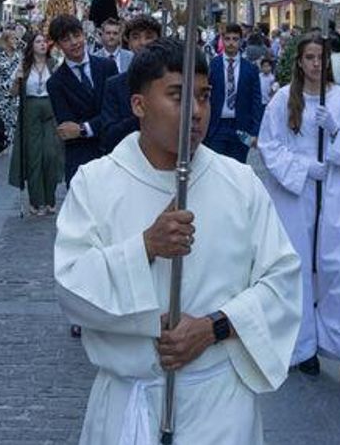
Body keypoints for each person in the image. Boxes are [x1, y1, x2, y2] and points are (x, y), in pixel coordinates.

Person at [54, 37, 302, 444]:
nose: (197, 111)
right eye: (178, 96)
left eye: (204, 96)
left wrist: (212, 327)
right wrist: (145, 248)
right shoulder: (95, 183)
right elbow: (71, 287)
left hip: (220, 407)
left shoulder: (239, 183)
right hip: (129, 402)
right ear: (139, 105)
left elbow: (282, 281)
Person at [257, 33, 340, 390]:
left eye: (321, 57)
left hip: (335, 196)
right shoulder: (282, 100)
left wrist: (334, 131)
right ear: (299, 61)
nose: (316, 64)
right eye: (309, 57)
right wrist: (305, 167)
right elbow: (269, 145)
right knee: (299, 267)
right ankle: (302, 345)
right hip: (297, 195)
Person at [47, 14, 117, 185]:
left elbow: (117, 112)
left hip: (113, 153)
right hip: (80, 159)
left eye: (77, 35)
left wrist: (83, 128)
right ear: (58, 45)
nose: (74, 42)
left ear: (84, 35)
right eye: (66, 39)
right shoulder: (55, 83)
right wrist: (99, 122)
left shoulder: (107, 66)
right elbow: (68, 130)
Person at [93, 14, 164, 159]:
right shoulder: (115, 85)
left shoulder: (169, 81)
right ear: (129, 42)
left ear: (158, 40)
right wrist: (142, 114)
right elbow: (108, 136)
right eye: (136, 37)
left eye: (149, 36)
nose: (142, 43)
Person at [10, 31, 62, 215]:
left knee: (50, 154)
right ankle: (36, 201)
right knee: (34, 157)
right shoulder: (24, 66)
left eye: (44, 41)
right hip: (30, 111)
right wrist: (18, 79)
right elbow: (13, 93)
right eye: (38, 41)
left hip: (50, 111)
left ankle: (50, 199)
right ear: (31, 46)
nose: (42, 44)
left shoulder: (54, 64)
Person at [205, 22, 263, 164]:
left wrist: (255, 132)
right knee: (216, 166)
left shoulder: (250, 69)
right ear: (222, 40)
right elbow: (205, 97)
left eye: (235, 39)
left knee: (238, 168)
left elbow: (256, 101)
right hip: (217, 126)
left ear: (241, 41)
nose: (231, 43)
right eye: (228, 39)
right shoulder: (213, 66)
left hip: (241, 127)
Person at [0, 26, 22, 158]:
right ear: (6, 40)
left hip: (15, 92)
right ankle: (1, 145)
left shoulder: (19, 55)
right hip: (1, 93)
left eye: (16, 38)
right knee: (1, 119)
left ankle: (12, 144)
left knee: (14, 119)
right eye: (13, 38)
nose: (16, 41)